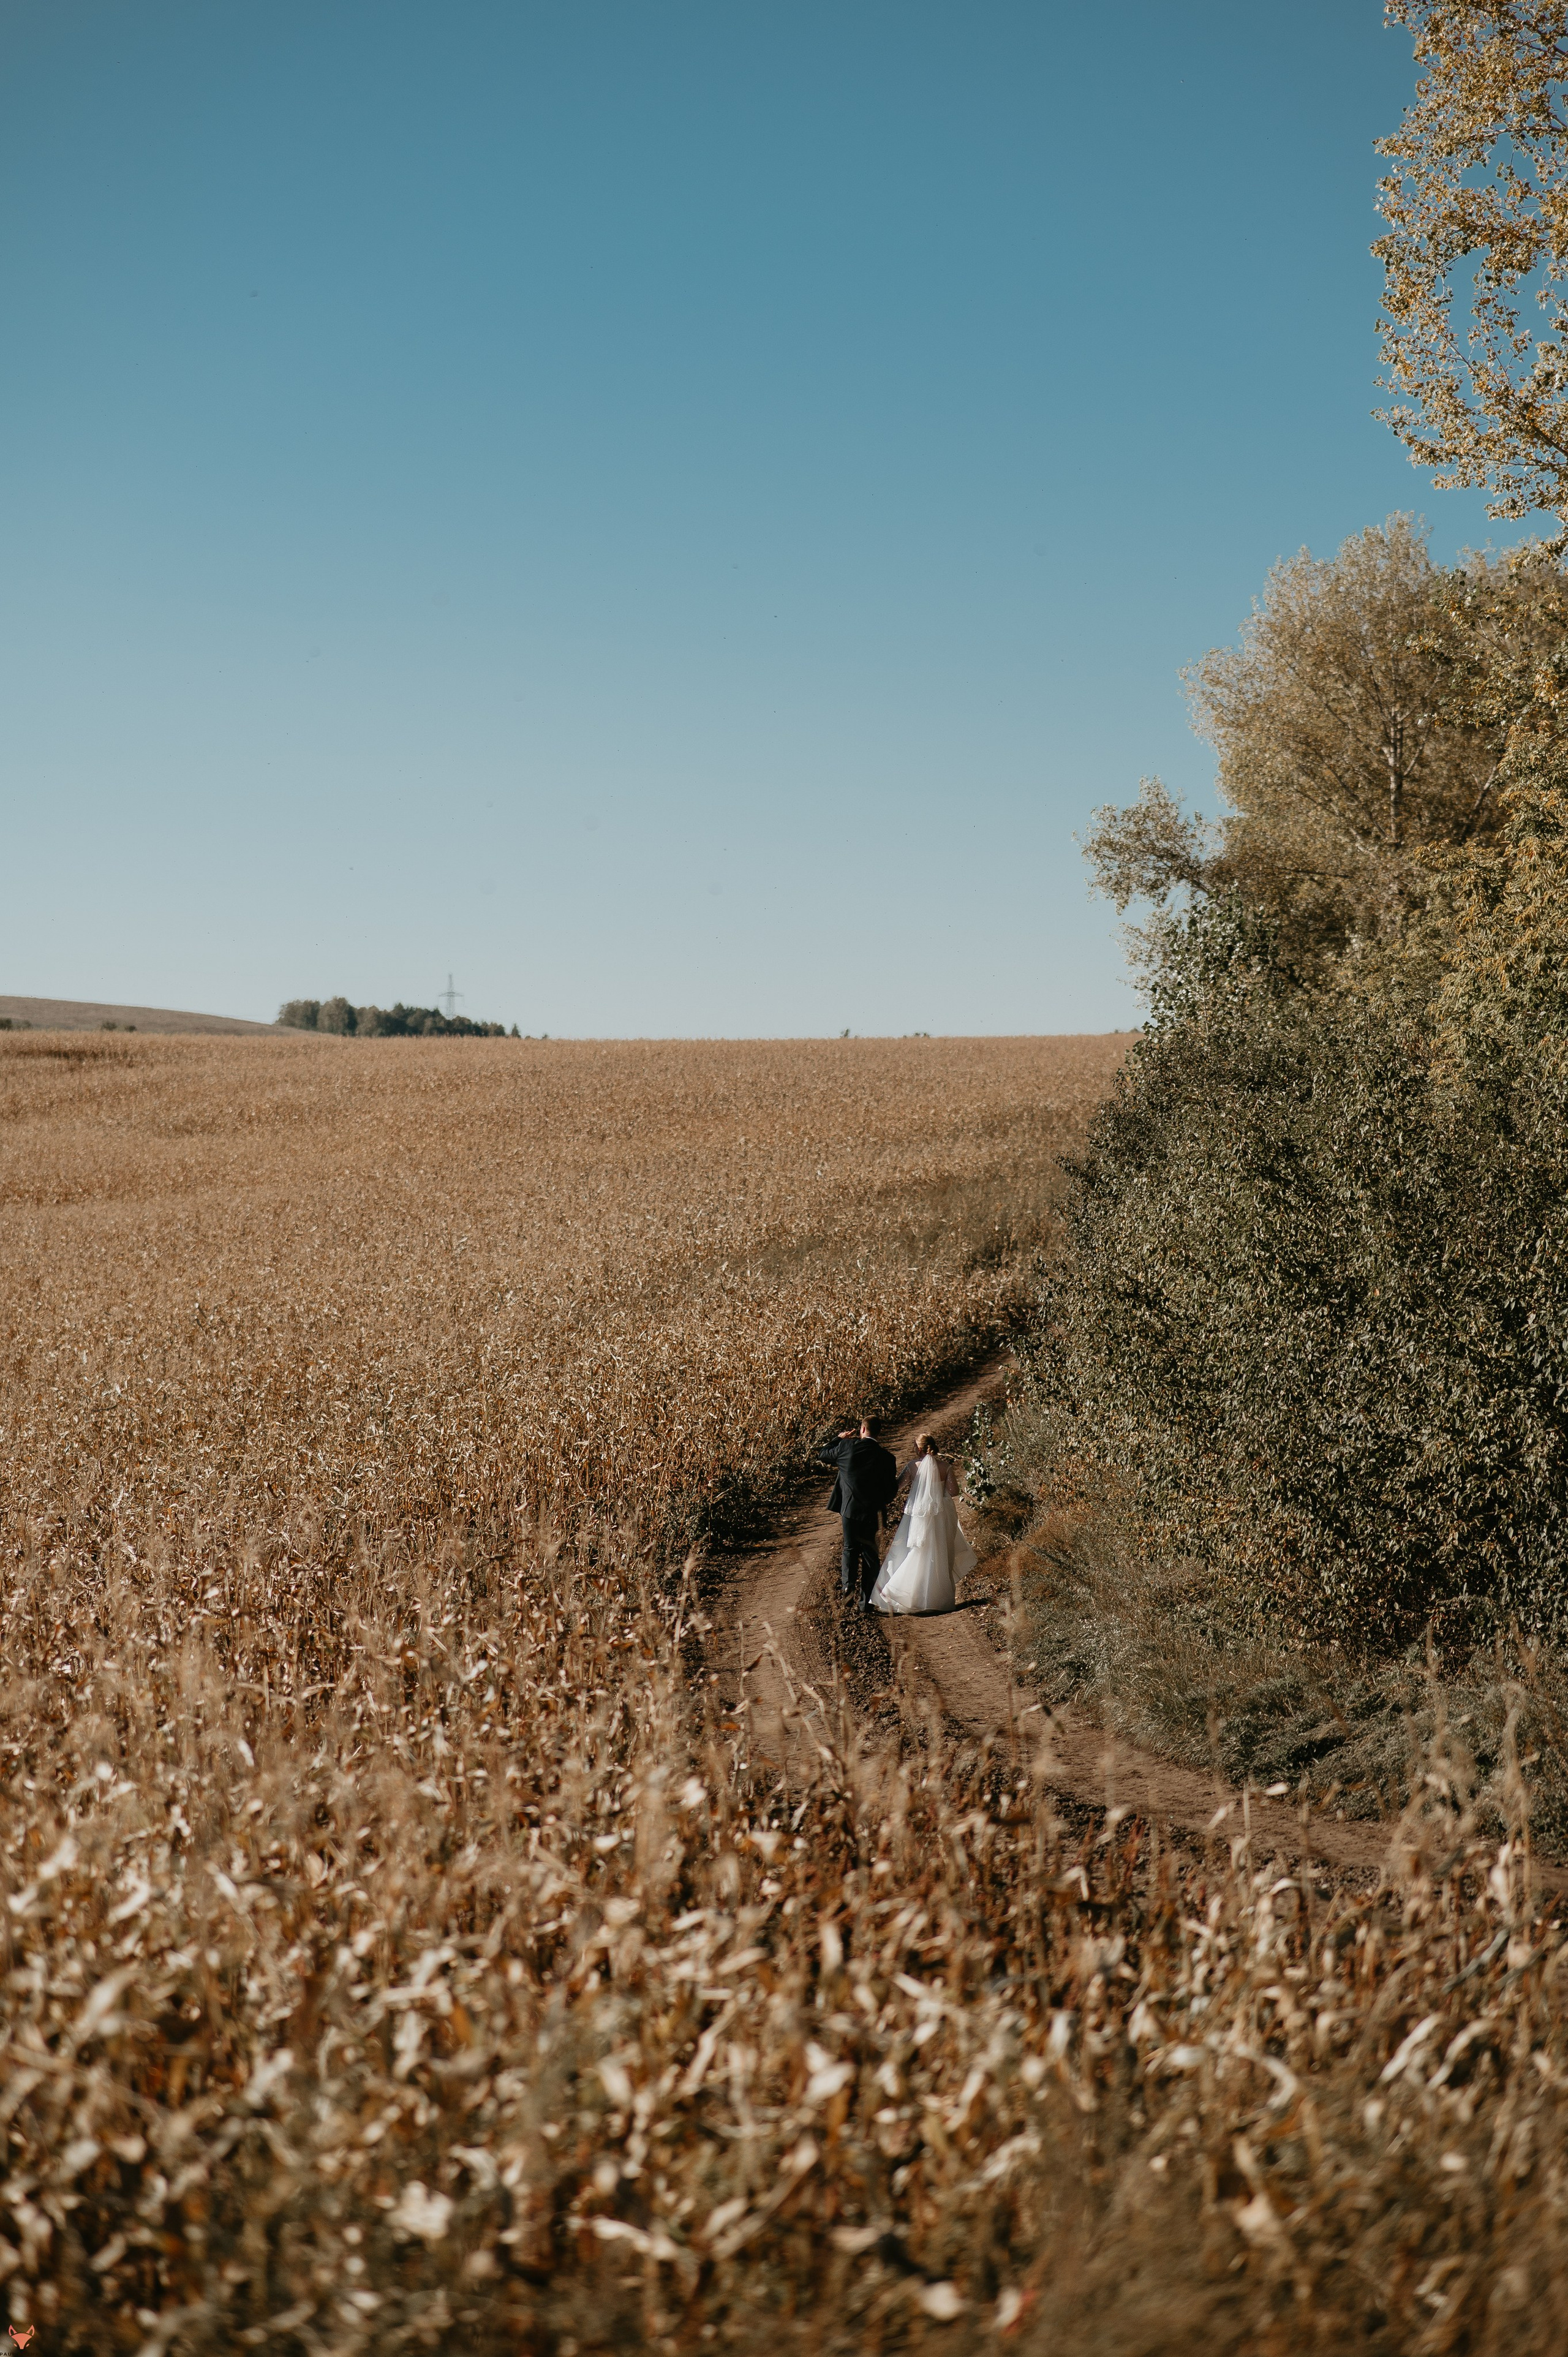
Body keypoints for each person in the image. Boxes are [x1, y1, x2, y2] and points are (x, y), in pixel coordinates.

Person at [871, 1431, 976, 1616]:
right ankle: (938, 1599)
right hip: (940, 1516)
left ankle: (898, 1591)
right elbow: (953, 1491)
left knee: (915, 1551)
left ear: (918, 1448)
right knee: (939, 1553)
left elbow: (897, 1487)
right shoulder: (945, 1467)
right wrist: (938, 1496)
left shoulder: (913, 1466)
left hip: (919, 1516)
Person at [818, 1416, 899, 1610]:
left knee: (849, 1549)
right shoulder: (887, 1458)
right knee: (871, 1556)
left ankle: (848, 1586)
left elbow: (823, 1454)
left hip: (850, 1510)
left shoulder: (847, 1448)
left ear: (862, 1429)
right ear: (878, 1433)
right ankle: (866, 1603)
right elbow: (891, 1491)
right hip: (874, 1513)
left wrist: (839, 1438)